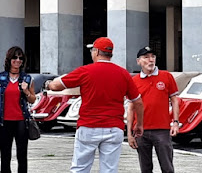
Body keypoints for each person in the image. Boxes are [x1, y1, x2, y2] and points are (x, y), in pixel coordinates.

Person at [48, 37, 144, 173]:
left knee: (80, 168)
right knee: (109, 170)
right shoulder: (123, 74)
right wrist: (139, 124)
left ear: (97, 52)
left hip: (89, 125)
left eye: (92, 50)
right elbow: (138, 102)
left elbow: (55, 86)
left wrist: (48, 83)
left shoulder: (85, 71)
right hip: (113, 127)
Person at [127, 46, 179, 173]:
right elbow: (130, 108)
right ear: (138, 61)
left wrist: (176, 122)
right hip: (141, 131)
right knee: (145, 168)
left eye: (153, 57)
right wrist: (129, 133)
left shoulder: (166, 76)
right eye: (146, 57)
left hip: (162, 129)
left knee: (167, 167)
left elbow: (175, 100)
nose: (151, 60)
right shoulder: (134, 81)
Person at [0, 46, 36, 173]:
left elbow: (33, 99)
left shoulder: (27, 79)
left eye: (20, 58)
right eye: (15, 57)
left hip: (21, 121)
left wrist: (26, 91)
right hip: (4, 122)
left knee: (22, 157)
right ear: (9, 59)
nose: (18, 60)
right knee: (5, 157)